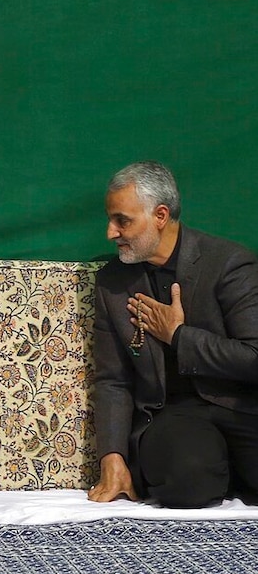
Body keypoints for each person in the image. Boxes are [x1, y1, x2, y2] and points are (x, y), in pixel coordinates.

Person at [88, 161, 258, 509]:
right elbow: (112, 380)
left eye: (122, 220)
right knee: (188, 484)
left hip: (240, 407)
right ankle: (218, 472)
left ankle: (229, 471)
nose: (111, 232)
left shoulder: (228, 263)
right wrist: (113, 456)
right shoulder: (113, 283)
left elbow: (254, 357)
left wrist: (179, 336)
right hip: (173, 415)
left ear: (160, 215)